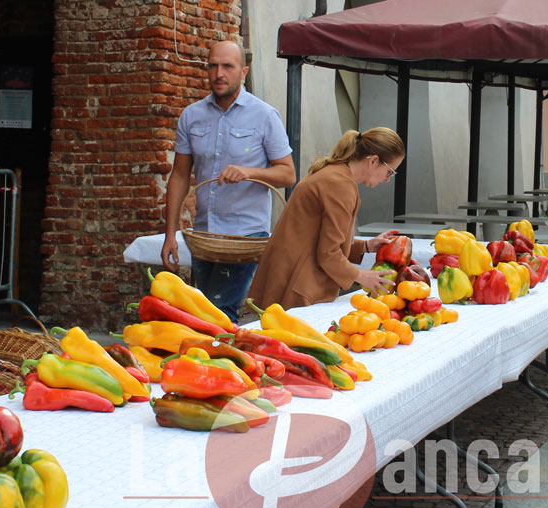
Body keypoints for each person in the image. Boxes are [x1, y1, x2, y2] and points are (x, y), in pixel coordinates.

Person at [160, 40, 296, 323]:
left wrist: (250, 171)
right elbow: (180, 176)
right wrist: (170, 234)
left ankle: (223, 365)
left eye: (227, 66)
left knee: (221, 315)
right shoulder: (191, 116)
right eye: (212, 66)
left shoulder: (265, 116)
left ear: (243, 72)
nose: (218, 73)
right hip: (204, 236)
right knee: (202, 314)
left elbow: (288, 174)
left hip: (244, 238)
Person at [247, 127, 404, 309]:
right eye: (390, 172)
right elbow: (328, 253)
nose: (387, 179)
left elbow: (318, 237)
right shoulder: (341, 185)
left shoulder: (335, 173)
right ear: (373, 161)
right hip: (297, 284)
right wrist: (362, 276)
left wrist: (366, 246)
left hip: (288, 274)